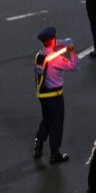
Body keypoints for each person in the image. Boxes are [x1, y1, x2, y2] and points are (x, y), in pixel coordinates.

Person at [34, 26, 79, 164]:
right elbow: (74, 67)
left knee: (46, 119)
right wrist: (71, 52)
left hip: (43, 95)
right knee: (56, 123)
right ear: (53, 40)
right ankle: (55, 153)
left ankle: (38, 145)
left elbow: (52, 47)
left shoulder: (39, 56)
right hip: (55, 96)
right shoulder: (56, 59)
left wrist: (61, 44)